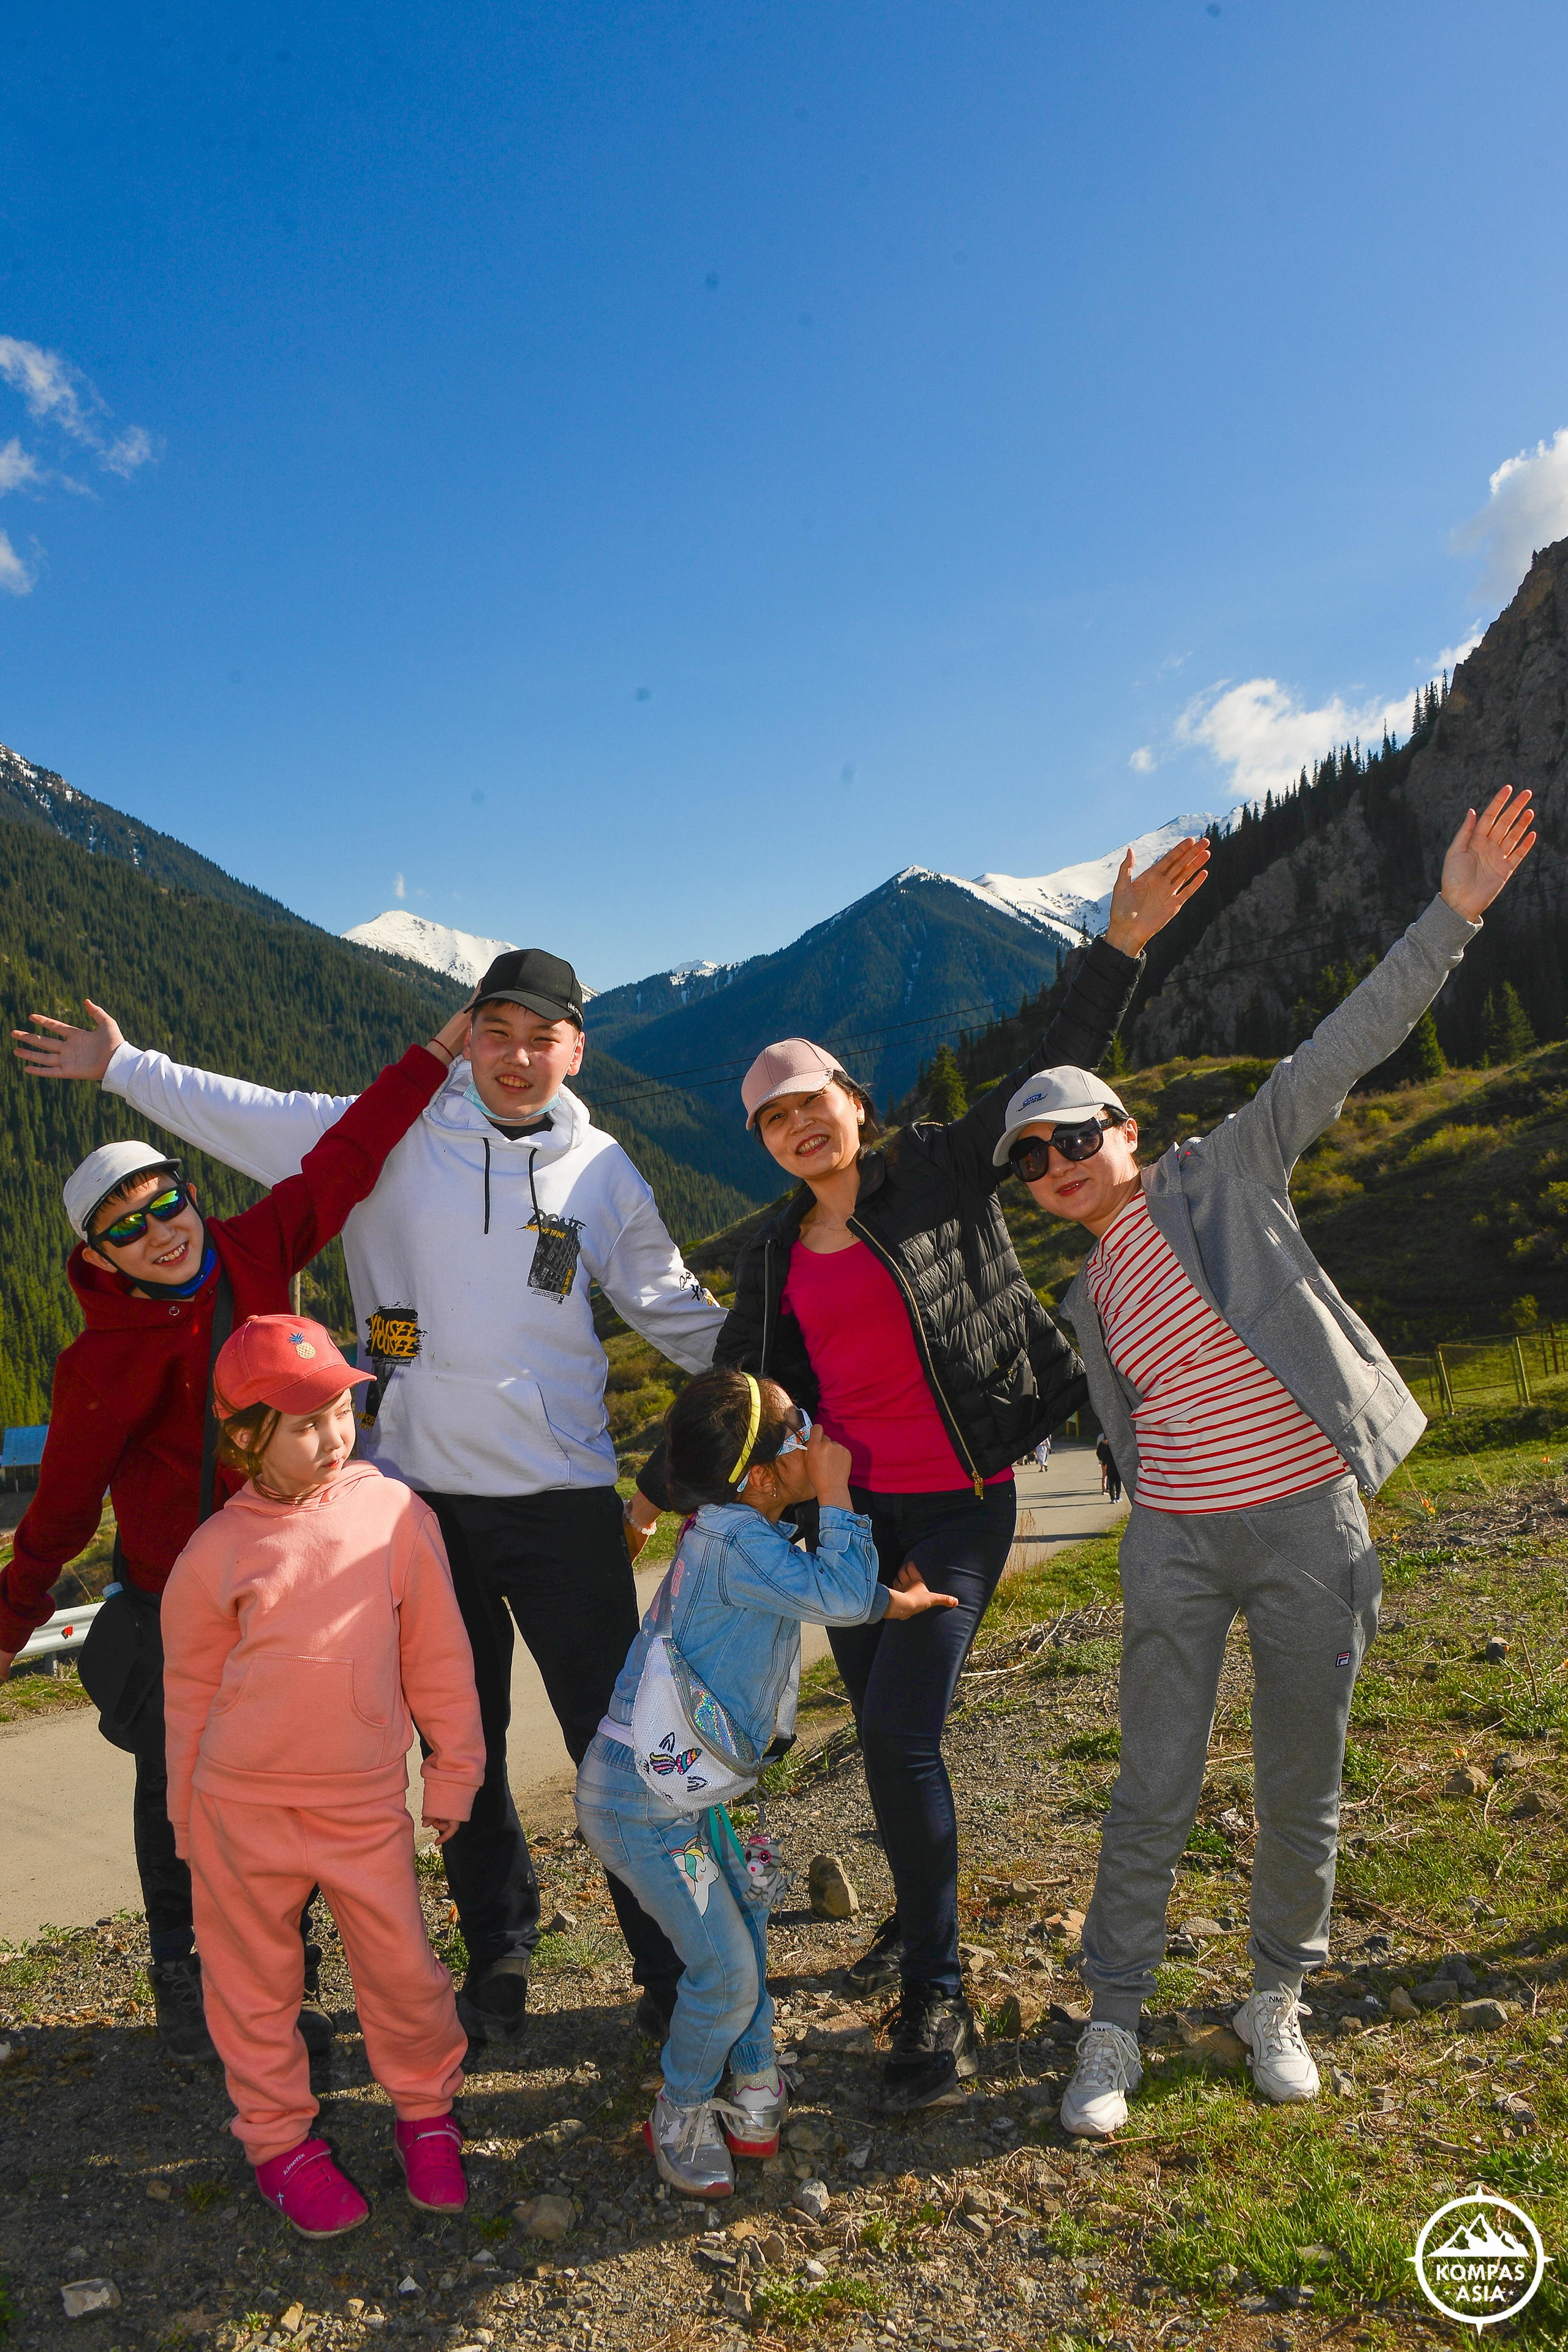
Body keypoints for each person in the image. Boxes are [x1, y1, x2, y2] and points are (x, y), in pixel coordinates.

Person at [28, 948, 726, 2045]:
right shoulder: (388, 1133)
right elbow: (246, 1112)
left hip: (563, 1498)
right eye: (495, 1032)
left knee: (616, 1734)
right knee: (462, 1739)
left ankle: (673, 1970)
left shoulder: (603, 1171)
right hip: (415, 1503)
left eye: (542, 1038)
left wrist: (788, 1381)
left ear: (577, 1049)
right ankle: (498, 1951)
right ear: (467, 1036)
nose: (516, 1058)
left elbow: (670, 1306)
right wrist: (125, 1068)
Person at [638, 835, 1210, 2114]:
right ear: (763, 1142)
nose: (799, 1126)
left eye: (812, 1102)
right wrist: (654, 1491)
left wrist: (1119, 944)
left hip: (959, 1503)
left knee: (900, 1735)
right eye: (772, 1118)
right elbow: (734, 1393)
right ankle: (917, 1911)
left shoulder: (940, 1169)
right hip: (848, 1529)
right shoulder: (772, 1256)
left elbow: (1047, 1060)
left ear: (855, 1101)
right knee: (887, 1734)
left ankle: (935, 1987)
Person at [997, 786, 1534, 2137]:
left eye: (1077, 1136)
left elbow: (1336, 1049)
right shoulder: (1082, 1299)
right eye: (1033, 1158)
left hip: (1305, 1523)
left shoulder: (1227, 1173)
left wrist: (1452, 915)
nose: (1058, 1163)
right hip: (1174, 1545)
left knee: (1303, 1778)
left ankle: (1274, 2001)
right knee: (1151, 1785)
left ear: (1126, 1132)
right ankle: (1112, 2021)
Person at [1, 1005, 470, 2062]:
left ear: (189, 1193)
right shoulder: (99, 1362)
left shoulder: (257, 1247)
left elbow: (350, 1155)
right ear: (99, 1256)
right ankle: (186, 1964)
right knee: (180, 1789)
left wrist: (436, 1056)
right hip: (181, 1602)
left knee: (292, 1773)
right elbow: (60, 1515)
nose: (162, 1232)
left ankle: (281, 1966)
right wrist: (9, 1624)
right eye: (128, 1228)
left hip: (298, 1583)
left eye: (166, 1202)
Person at [579, 1368, 957, 2197]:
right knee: (724, 1975)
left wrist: (890, 1604)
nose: (816, 1438)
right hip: (645, 1808)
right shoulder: (737, 1542)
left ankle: (753, 2088)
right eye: (800, 1430)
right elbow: (837, 1593)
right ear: (758, 1476)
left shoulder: (732, 1533)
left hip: (681, 1792)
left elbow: (823, 1594)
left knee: (743, 1927)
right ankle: (679, 2112)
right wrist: (840, 1493)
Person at [162, 1314, 484, 2237]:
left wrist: (454, 1772)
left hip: (362, 1804)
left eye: (342, 1412)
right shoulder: (214, 1552)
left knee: (403, 1970)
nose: (335, 1436)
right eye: (306, 1425)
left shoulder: (396, 1516)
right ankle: (279, 2145)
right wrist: (187, 1820)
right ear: (244, 1438)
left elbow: (439, 1658)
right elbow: (188, 1695)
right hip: (238, 1811)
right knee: (251, 1988)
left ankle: (426, 2112)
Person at [1095, 1430, 1122, 1505]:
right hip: (1117, 1467)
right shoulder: (1117, 1446)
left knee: (1111, 1482)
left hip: (1109, 1467)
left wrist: (1104, 1463)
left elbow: (1102, 1455)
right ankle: (1118, 1497)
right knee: (1118, 1483)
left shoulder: (1106, 1446)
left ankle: (1112, 1498)